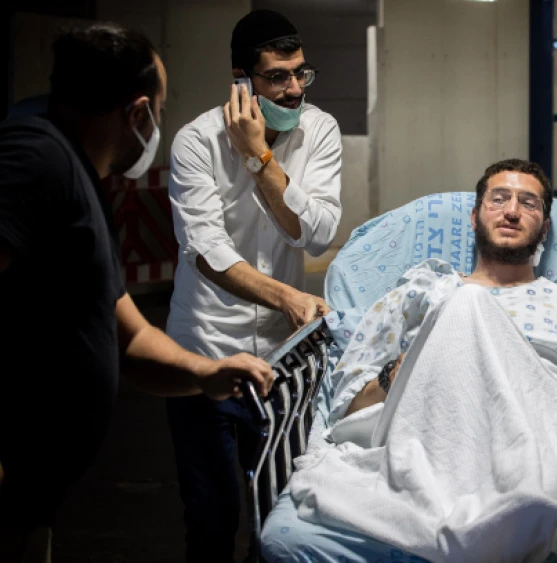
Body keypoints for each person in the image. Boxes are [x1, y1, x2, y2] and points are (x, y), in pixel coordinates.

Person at [0, 23, 273, 560]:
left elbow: (124, 335)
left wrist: (205, 373)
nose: (159, 127)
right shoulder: (36, 158)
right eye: (161, 111)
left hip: (30, 505)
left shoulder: (79, 178)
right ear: (137, 112)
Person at [164, 9, 343, 561]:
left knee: (281, 520)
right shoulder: (195, 142)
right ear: (241, 80)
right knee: (212, 520)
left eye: (300, 73)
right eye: (277, 77)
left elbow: (316, 233)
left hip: (284, 365)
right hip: (206, 355)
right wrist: (287, 295)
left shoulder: (320, 130)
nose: (294, 90)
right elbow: (208, 255)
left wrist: (261, 157)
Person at [334, 158, 557, 432]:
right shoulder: (422, 291)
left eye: (528, 204)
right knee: (467, 299)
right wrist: (396, 375)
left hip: (549, 432)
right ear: (474, 218)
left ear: (544, 229)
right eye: (498, 199)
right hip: (435, 427)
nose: (512, 211)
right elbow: (348, 407)